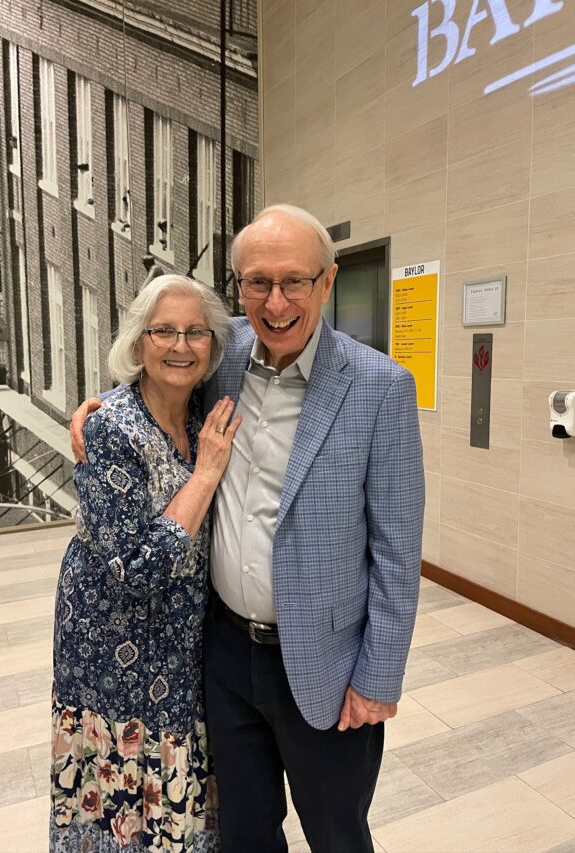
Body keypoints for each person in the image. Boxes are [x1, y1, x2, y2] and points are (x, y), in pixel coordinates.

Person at [71, 205, 425, 853]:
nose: (276, 302)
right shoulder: (221, 349)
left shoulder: (381, 388)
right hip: (225, 654)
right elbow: (158, 367)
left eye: (295, 281)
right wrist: (97, 408)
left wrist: (378, 677)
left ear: (328, 280)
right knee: (243, 832)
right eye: (258, 282)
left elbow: (397, 551)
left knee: (337, 833)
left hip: (324, 659)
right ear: (238, 286)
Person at [52, 274, 240, 852]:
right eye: (163, 332)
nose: (180, 346)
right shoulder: (111, 428)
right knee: (122, 796)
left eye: (195, 332)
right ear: (138, 343)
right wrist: (204, 475)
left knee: (179, 785)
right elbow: (135, 569)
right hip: (113, 645)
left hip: (182, 643)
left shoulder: (201, 414)